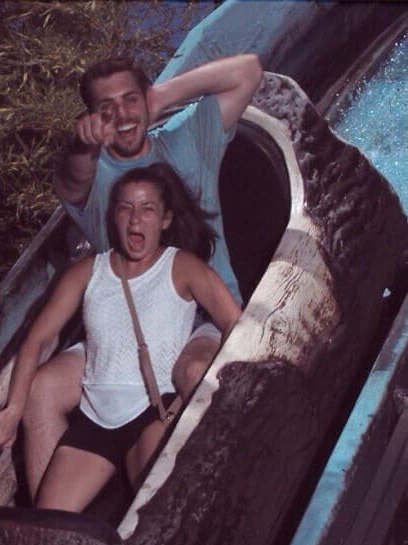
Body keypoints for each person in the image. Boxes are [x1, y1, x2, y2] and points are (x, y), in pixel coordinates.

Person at [22, 52, 262, 497]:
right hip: (123, 332)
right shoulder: (95, 181)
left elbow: (248, 70)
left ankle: (223, 495)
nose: (121, 115)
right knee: (44, 388)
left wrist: (158, 97)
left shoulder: (189, 139)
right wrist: (84, 145)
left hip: (201, 322)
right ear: (91, 119)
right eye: (105, 109)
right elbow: (72, 177)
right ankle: (47, 538)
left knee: (193, 372)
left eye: (129, 100)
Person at [0, 164, 241, 513]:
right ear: (113, 216)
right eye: (126, 207)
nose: (136, 219)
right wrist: (14, 408)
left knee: (160, 514)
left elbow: (236, 324)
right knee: (50, 526)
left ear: (165, 220)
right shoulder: (87, 272)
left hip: (152, 409)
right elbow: (36, 339)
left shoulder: (182, 266)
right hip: (95, 418)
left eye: (147, 209)